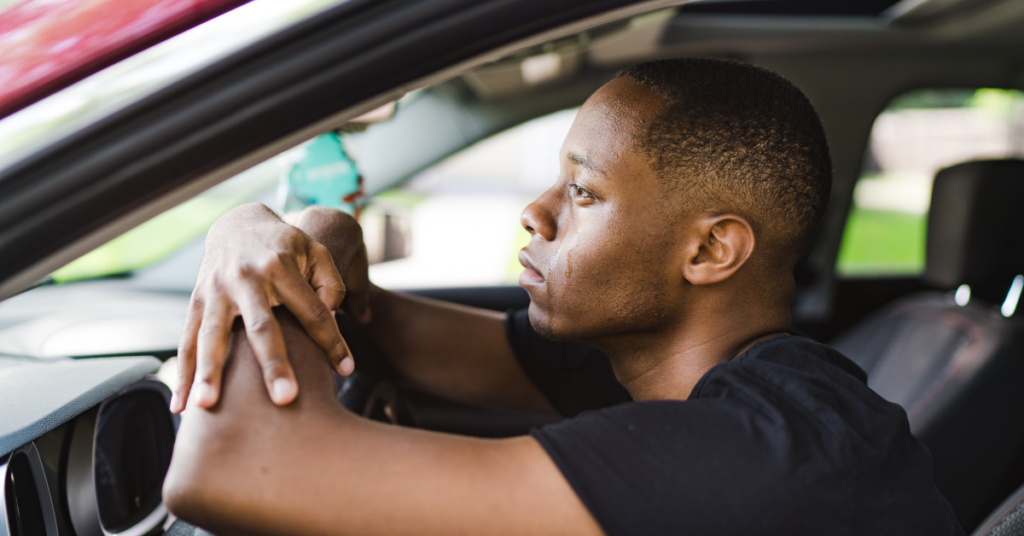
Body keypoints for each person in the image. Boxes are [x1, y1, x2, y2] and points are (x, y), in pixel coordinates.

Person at [162, 59, 964, 536]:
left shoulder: (765, 445)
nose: (535, 212)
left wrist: (258, 246)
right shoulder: (687, 368)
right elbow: (375, 319)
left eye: (582, 193)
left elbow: (232, 468)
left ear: (710, 250)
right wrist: (288, 226)